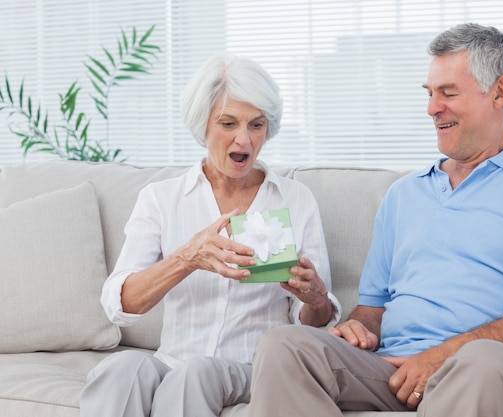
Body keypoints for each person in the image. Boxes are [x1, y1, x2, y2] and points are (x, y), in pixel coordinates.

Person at [247, 23, 503, 417]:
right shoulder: (404, 195)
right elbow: (373, 309)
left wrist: (445, 353)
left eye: (448, 93)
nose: (432, 108)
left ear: (499, 92)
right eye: (430, 94)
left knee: (484, 360)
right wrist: (358, 328)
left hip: (477, 367)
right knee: (284, 345)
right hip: (390, 370)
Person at [79, 53, 341, 417]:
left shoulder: (295, 200)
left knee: (196, 373)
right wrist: (187, 258)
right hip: (172, 362)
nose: (244, 140)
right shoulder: (161, 198)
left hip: (250, 370)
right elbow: (121, 306)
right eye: (228, 123)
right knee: (121, 368)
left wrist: (316, 298)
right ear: (203, 125)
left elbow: (314, 322)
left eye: (256, 125)